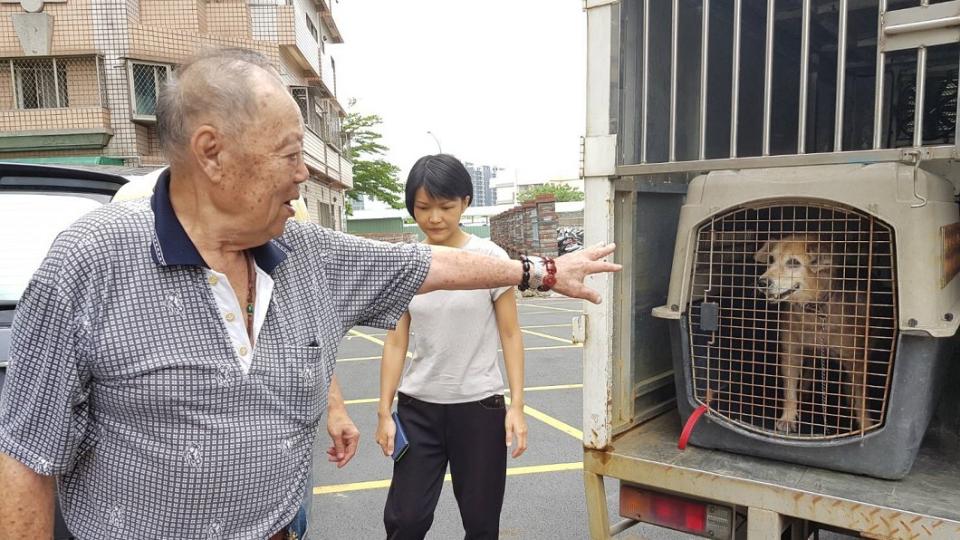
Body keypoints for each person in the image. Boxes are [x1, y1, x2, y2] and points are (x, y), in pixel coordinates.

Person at [0, 48, 619, 539]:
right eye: (291, 154)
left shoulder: (305, 254)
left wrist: (539, 270)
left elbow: (422, 263)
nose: (305, 174)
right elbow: (26, 462)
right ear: (211, 153)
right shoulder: (89, 263)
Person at [376, 154, 526, 539]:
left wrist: (518, 407)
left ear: (466, 203)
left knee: (480, 523)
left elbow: (510, 334)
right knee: (405, 521)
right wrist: (383, 412)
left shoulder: (490, 259)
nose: (435, 218)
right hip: (417, 410)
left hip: (479, 409)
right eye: (423, 208)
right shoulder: (408, 261)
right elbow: (396, 339)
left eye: (446, 206)